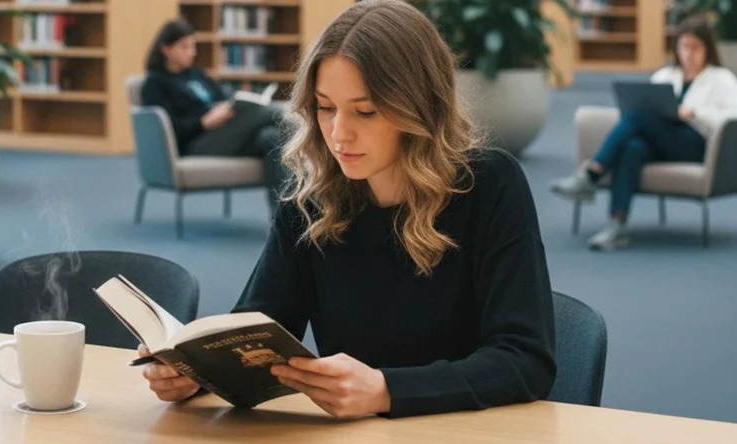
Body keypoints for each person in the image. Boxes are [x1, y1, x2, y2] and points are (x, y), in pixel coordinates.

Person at [138, 0, 556, 419]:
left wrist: (388, 390)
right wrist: (196, 371)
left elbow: (525, 360)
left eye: (365, 111)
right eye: (325, 107)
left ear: (420, 108)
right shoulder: (312, 197)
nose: (339, 134)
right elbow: (257, 330)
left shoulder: (488, 184)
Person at [551, 15, 737, 251]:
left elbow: (733, 117)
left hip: (696, 144)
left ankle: (592, 172)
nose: (688, 54)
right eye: (683, 47)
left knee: (638, 117)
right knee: (633, 147)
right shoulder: (665, 76)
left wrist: (695, 112)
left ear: (707, 49)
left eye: (695, 48)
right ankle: (617, 225)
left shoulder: (722, 79)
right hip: (662, 142)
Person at [140, 18, 288, 209]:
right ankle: (288, 115)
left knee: (271, 137)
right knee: (272, 115)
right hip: (196, 142)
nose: (191, 53)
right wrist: (203, 123)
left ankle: (281, 219)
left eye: (193, 46)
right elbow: (166, 129)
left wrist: (227, 107)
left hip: (225, 133)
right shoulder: (155, 84)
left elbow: (221, 96)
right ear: (166, 49)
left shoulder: (196, 75)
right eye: (184, 47)